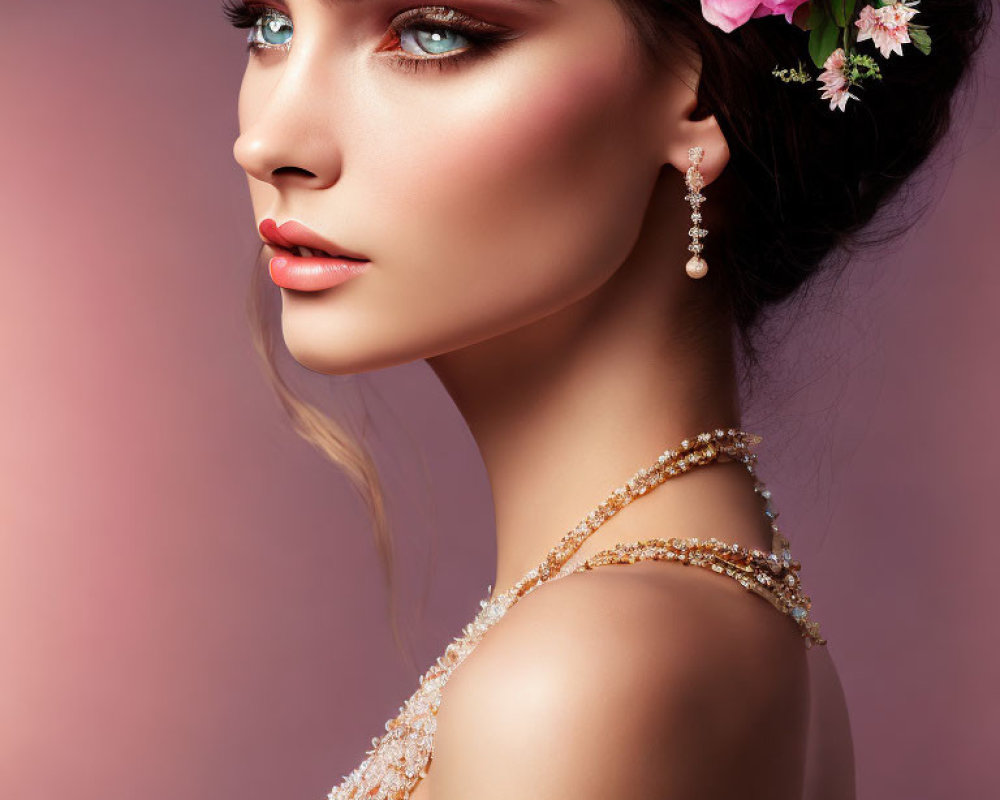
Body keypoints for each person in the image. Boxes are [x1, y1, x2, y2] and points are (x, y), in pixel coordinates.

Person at [223, 0, 990, 797]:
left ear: (696, 99)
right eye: (270, 26)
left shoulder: (586, 674)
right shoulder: (696, 619)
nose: (269, 143)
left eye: (433, 34)